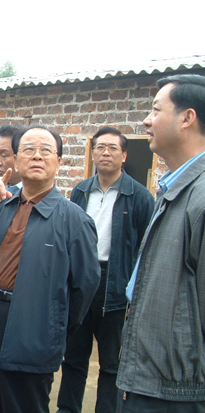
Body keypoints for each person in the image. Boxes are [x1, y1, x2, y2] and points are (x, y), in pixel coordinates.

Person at [0, 125, 100, 412]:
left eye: (46, 151)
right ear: (15, 160)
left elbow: (84, 288)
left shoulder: (74, 220)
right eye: (29, 150)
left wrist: (50, 329)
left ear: (59, 162)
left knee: (22, 403)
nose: (37, 156)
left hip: (30, 329)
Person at [117, 74, 205, 411]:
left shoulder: (200, 198)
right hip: (151, 380)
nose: (146, 120)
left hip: (179, 392)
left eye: (155, 110)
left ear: (187, 118)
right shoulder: (173, 189)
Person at [57, 127, 154, 413]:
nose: (105, 153)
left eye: (113, 148)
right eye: (100, 147)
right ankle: (67, 408)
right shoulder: (81, 190)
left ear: (124, 156)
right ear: (93, 153)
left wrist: (134, 291)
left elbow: (146, 248)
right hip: (81, 281)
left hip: (116, 284)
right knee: (74, 357)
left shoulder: (139, 196)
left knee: (111, 363)